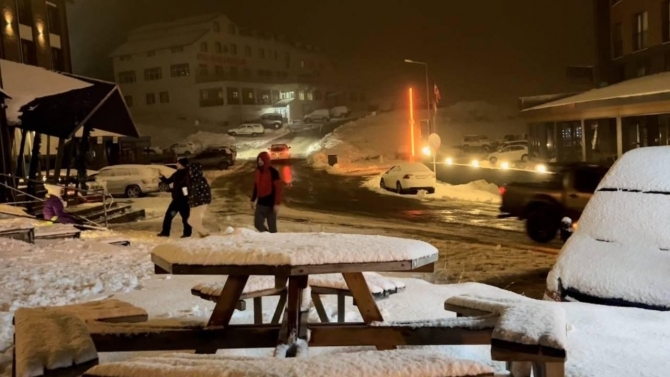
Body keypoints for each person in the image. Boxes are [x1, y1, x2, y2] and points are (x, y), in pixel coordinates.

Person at [157, 158, 192, 238]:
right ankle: (165, 232)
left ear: (183, 165)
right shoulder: (176, 173)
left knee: (185, 217)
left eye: (178, 164)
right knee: (168, 216)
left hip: (183, 201)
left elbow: (187, 188)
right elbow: (168, 181)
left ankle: (187, 233)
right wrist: (161, 176)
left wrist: (186, 197)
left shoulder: (187, 175)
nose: (177, 165)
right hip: (176, 200)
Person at [250, 151, 283, 233]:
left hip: (271, 205)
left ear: (266, 160)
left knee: (273, 229)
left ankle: (273, 240)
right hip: (260, 203)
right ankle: (267, 237)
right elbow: (256, 186)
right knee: (257, 224)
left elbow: (278, 189)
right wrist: (253, 199)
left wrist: (276, 204)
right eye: (258, 160)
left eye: (261, 160)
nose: (259, 162)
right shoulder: (257, 171)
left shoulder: (274, 172)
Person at [187, 163, 212, 238]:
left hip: (200, 203)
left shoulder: (199, 180)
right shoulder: (193, 180)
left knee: (191, 221)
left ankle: (205, 233)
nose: (189, 172)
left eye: (191, 170)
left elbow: (197, 192)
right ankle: (202, 234)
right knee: (197, 221)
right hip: (196, 203)